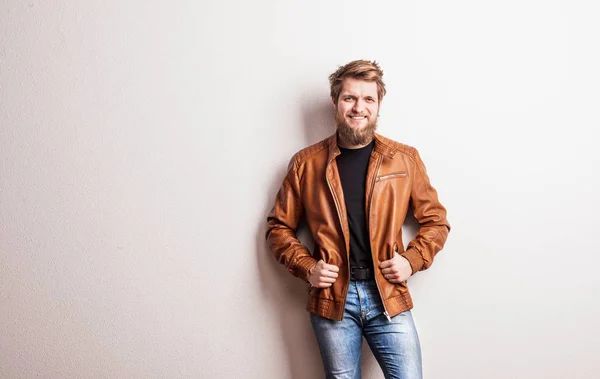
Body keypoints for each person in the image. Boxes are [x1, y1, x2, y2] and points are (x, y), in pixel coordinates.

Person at [266, 60, 450, 379]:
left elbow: (436, 221)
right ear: (336, 103)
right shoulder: (305, 164)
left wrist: (412, 259)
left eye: (368, 99)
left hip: (388, 295)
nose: (358, 107)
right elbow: (278, 228)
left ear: (378, 105)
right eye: (349, 98)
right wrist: (308, 267)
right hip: (333, 299)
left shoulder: (404, 160)